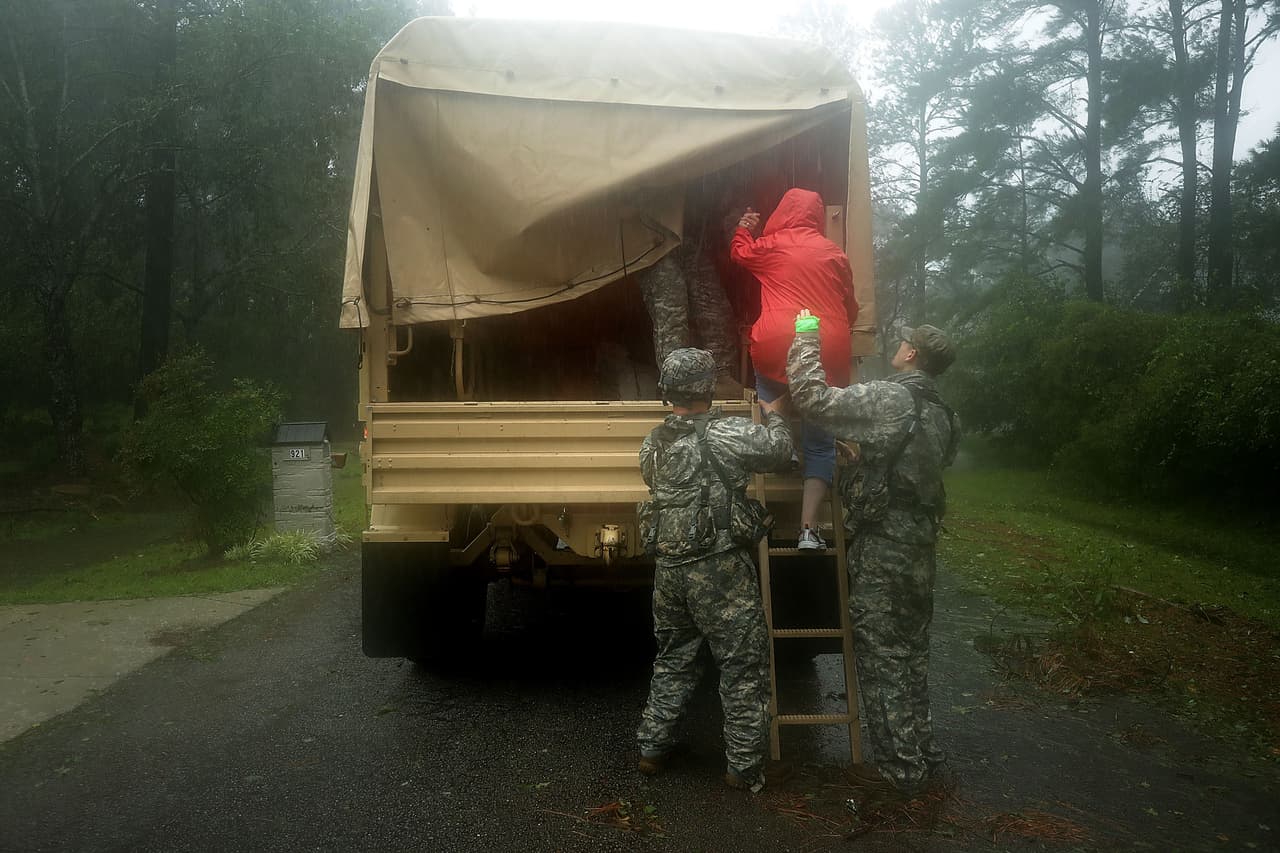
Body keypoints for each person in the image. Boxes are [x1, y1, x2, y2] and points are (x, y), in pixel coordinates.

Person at [785, 312, 959, 795]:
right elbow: (922, 463)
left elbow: (813, 400)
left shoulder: (892, 396)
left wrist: (804, 340)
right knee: (910, 653)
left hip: (883, 546)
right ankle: (923, 752)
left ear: (912, 355)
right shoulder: (943, 412)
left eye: (902, 342)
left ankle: (900, 772)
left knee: (882, 659)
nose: (897, 346)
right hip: (919, 547)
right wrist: (865, 459)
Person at [635, 347, 792, 792]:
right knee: (743, 668)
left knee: (674, 660)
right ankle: (744, 767)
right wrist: (774, 413)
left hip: (669, 570)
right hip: (719, 568)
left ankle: (651, 749)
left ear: (667, 392)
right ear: (708, 387)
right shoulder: (728, 433)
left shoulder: (653, 442)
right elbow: (779, 452)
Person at [729, 188, 857, 550]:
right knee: (820, 440)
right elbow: (851, 305)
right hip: (827, 346)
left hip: (777, 345)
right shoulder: (834, 253)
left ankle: (780, 438)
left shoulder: (773, 245)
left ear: (783, 212)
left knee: (770, 385)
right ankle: (808, 531)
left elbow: (738, 253)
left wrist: (743, 228)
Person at [638, 226, 743, 400]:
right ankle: (676, 384)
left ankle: (721, 374)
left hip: (688, 237)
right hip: (653, 242)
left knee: (713, 305)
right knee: (672, 312)